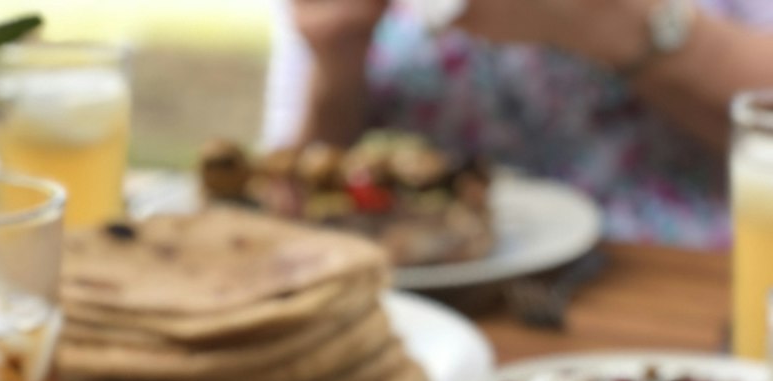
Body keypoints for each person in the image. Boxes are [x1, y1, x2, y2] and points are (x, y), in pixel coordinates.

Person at [262, 0, 773, 246]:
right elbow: (284, 199)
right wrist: (336, 55)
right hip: (425, 308)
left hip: (685, 295)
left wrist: (623, 24)